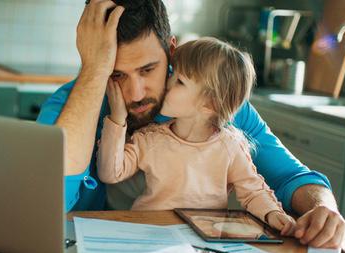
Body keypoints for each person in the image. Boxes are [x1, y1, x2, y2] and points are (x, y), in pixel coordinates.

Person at [36, 0, 345, 248]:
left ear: (172, 51)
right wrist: (94, 70)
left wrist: (323, 209)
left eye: (148, 69)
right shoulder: (69, 105)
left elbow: (291, 175)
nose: (136, 93)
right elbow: (45, 203)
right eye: (116, 74)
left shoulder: (209, 103)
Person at [97, 37, 296, 235]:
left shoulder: (231, 147)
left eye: (179, 81)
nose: (167, 83)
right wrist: (117, 118)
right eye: (172, 75)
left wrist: (272, 213)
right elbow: (110, 173)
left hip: (203, 241)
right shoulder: (149, 139)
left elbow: (253, 192)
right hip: (149, 233)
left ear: (210, 105)